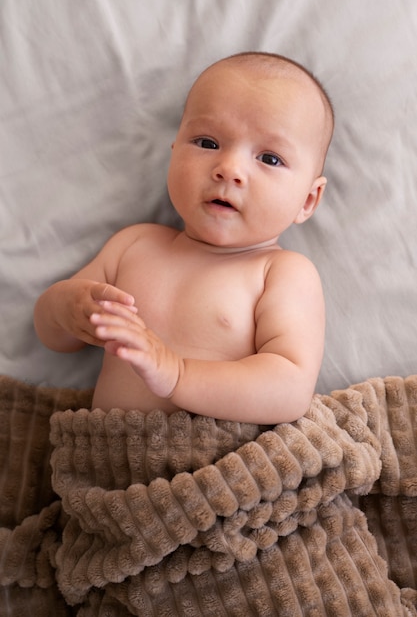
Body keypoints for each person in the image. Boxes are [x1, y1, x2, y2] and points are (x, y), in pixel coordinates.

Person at [34, 51, 334, 424]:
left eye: (270, 158)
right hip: (108, 461)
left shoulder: (281, 273)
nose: (230, 170)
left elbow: (289, 390)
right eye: (208, 143)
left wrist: (178, 374)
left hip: (225, 468)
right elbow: (56, 339)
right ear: (174, 153)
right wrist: (64, 309)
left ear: (308, 200)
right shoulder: (134, 246)